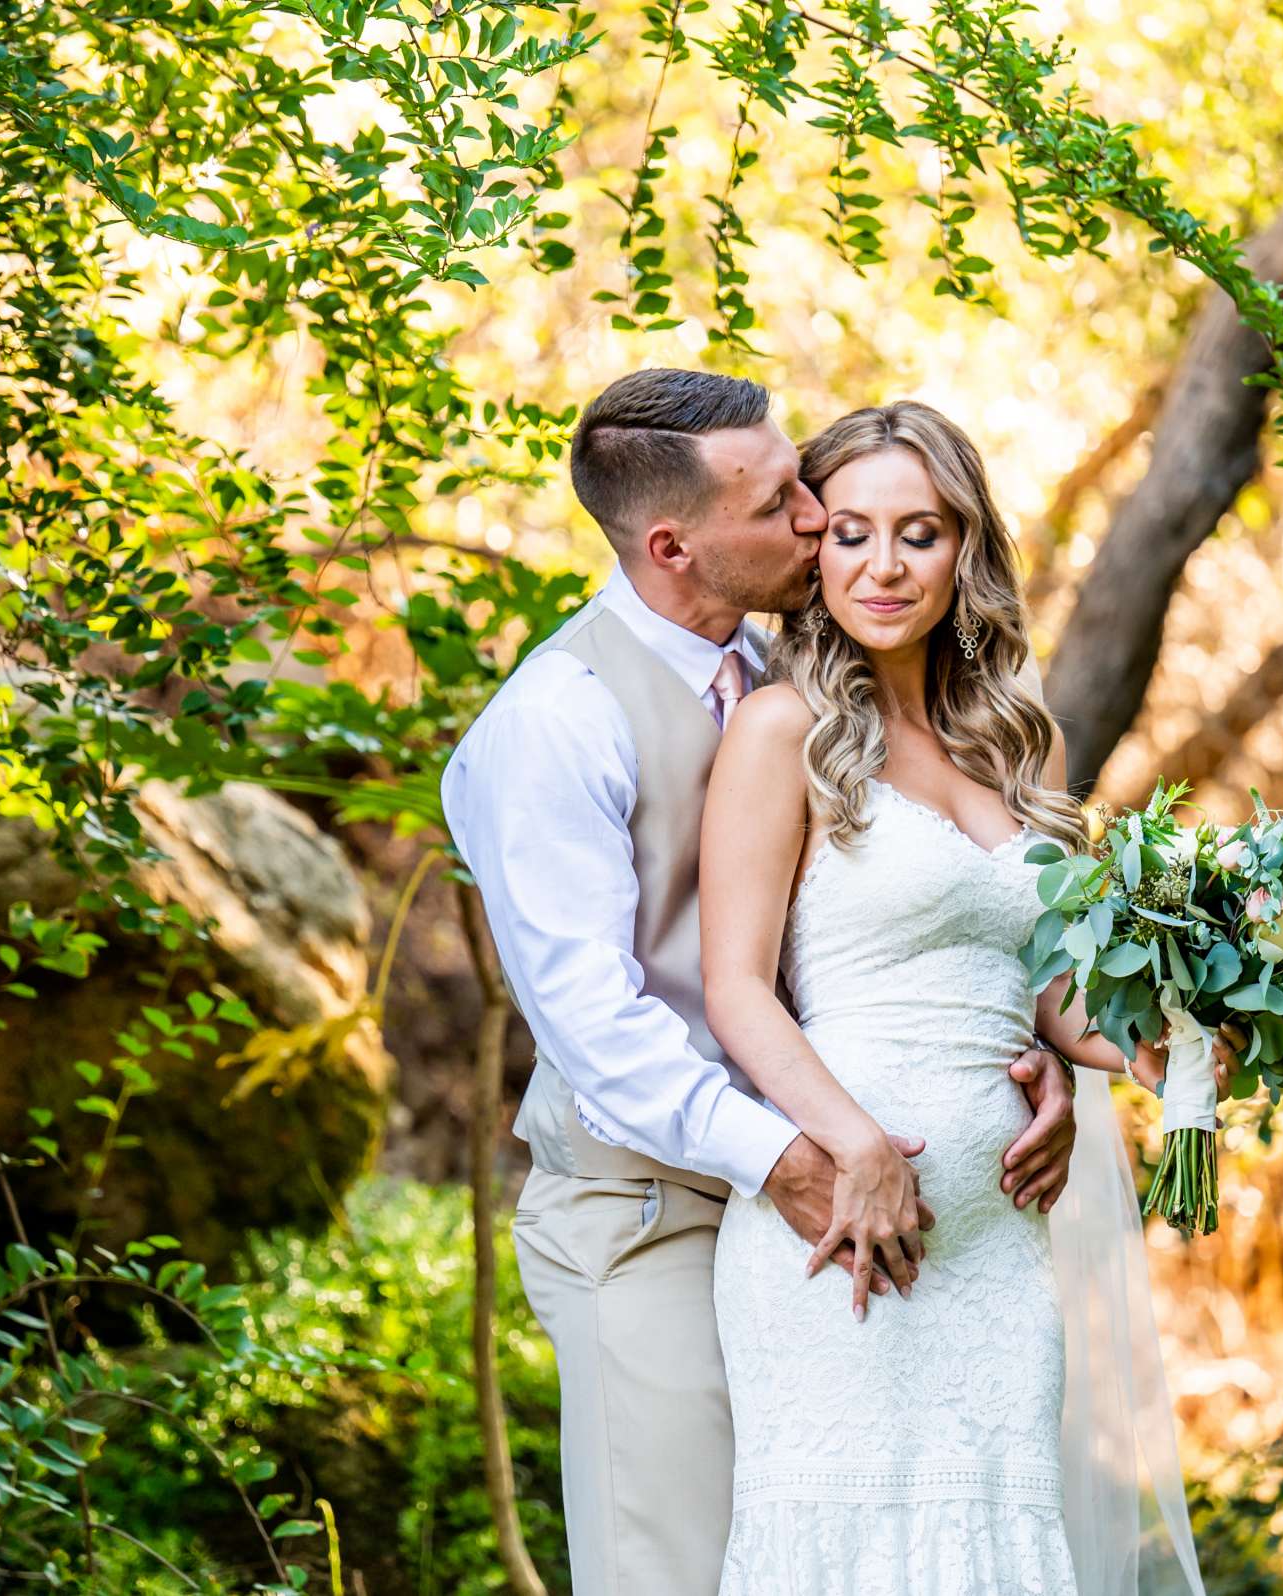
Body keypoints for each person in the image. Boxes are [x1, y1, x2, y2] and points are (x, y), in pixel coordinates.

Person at [441, 371, 1080, 1596]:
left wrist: (1024, 1059)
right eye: (786, 500)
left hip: (853, 1203)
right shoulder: (556, 726)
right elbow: (598, 1033)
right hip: (650, 1213)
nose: (814, 516)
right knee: (681, 1573)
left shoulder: (794, 670)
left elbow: (901, 930)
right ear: (674, 543)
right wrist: (800, 1157)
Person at [701, 400, 1210, 1594]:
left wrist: (1168, 1047)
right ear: (812, 549)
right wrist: (857, 1143)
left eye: (919, 534)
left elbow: (1053, 994)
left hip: (998, 1260)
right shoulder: (783, 731)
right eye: (854, 534)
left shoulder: (1012, 748)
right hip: (849, 1238)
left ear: (964, 551)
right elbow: (735, 988)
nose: (884, 566)